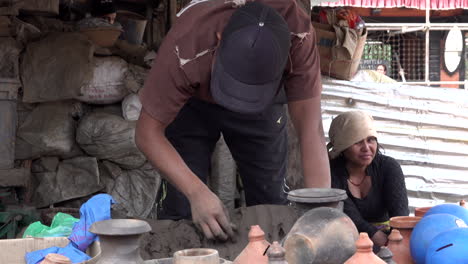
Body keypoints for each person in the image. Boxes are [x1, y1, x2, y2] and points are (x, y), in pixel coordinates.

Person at [135, 0, 330, 241]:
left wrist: (323, 218)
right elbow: (146, 133)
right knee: (181, 208)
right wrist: (196, 192)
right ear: (219, 39)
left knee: (272, 205)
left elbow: (311, 130)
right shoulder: (186, 44)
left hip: (264, 109)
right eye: (238, 85)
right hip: (192, 102)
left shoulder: (298, 35)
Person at [328, 111, 409, 248]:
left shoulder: (388, 167)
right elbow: (349, 216)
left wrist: (392, 244)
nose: (366, 148)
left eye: (371, 139)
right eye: (357, 142)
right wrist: (374, 235)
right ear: (343, 146)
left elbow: (400, 218)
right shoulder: (331, 173)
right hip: (345, 241)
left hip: (388, 240)